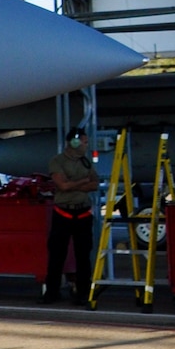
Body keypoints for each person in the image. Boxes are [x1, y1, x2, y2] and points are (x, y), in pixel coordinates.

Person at [43, 127, 100, 305]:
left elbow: (95, 184)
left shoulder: (85, 161)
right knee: (56, 254)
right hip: (63, 212)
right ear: (74, 142)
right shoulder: (57, 161)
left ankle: (83, 293)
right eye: (84, 142)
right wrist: (83, 181)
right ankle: (52, 292)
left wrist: (74, 183)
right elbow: (63, 186)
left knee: (83, 255)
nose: (86, 145)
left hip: (82, 213)